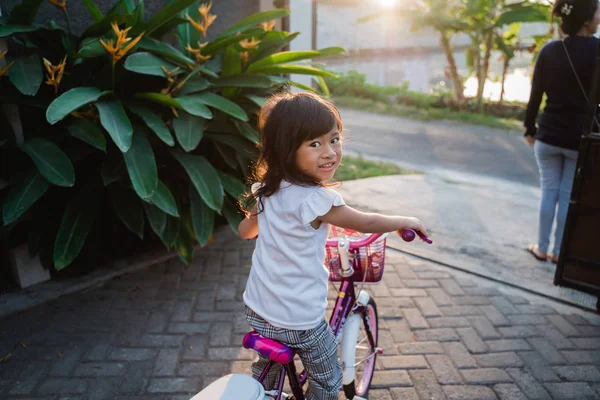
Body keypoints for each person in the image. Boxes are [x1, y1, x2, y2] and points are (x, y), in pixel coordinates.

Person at [237, 91, 429, 400]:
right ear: (287, 150)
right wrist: (404, 221)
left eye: (334, 140)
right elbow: (365, 222)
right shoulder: (316, 199)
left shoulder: (267, 191)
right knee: (328, 380)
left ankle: (265, 391)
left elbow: (246, 231)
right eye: (314, 144)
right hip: (299, 320)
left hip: (258, 308)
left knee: (267, 367)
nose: (329, 152)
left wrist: (264, 226)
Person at [524, 0, 600, 263]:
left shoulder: (549, 51)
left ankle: (542, 248)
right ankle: (559, 253)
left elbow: (535, 96)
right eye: (598, 12)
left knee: (548, 192)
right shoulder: (598, 51)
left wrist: (529, 128)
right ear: (586, 19)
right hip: (579, 140)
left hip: (548, 135)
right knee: (567, 196)